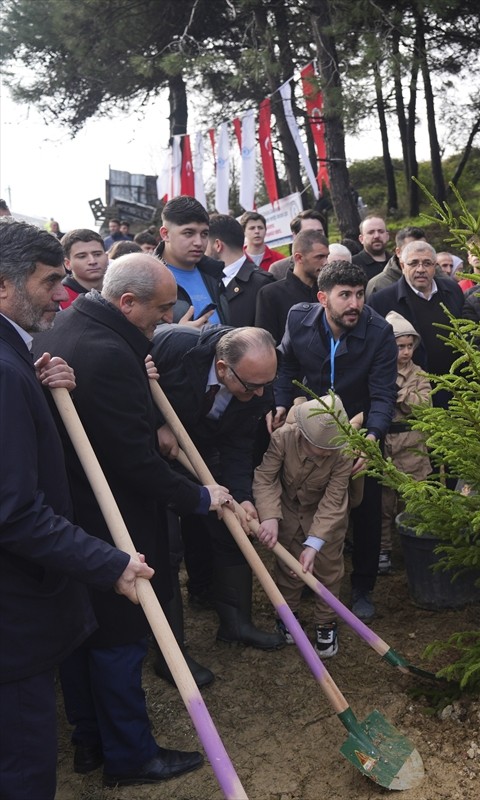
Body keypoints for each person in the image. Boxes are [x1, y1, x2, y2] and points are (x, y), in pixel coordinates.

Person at [34, 253, 234, 788]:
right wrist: (198, 497)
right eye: (161, 310)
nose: (167, 320)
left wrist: (136, 353)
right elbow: (136, 462)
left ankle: (89, 742)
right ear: (127, 302)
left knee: (83, 634)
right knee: (119, 639)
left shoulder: (78, 323)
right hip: (112, 518)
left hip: (73, 516)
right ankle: (130, 754)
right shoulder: (105, 351)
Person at [0, 219, 154, 799]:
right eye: (47, 282)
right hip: (13, 615)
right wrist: (108, 562)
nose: (61, 296)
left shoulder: (16, 359)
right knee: (21, 763)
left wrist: (33, 383)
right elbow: (12, 511)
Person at [272, 261, 397, 621]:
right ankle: (306, 576)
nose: (354, 303)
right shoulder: (298, 318)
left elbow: (384, 393)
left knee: (366, 506)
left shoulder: (379, 332)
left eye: (359, 295)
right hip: (310, 429)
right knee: (307, 504)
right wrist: (281, 402)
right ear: (323, 298)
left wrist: (372, 437)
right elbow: (287, 365)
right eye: (345, 295)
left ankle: (362, 587)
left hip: (359, 427)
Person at [151, 324, 285, 656]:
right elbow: (127, 385)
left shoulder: (258, 389)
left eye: (266, 385)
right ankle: (171, 652)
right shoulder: (173, 346)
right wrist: (155, 424)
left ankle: (235, 624)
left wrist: (242, 496)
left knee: (229, 524)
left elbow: (239, 446)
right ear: (223, 368)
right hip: (150, 456)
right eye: (252, 385)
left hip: (203, 449)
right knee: (165, 544)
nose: (260, 394)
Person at [254, 395, 355, 659]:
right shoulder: (283, 438)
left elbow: (334, 500)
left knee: (328, 571)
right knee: (289, 570)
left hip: (325, 519)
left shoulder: (343, 454)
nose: (323, 454)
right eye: (317, 448)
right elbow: (265, 478)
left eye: (328, 449)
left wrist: (314, 543)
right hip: (287, 512)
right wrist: (269, 516)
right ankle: (288, 616)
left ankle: (326, 623)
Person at [366, 239, 465, 410]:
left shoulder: (451, 290)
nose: (420, 269)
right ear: (403, 265)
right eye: (414, 263)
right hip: (411, 393)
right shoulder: (382, 300)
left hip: (457, 387)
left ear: (435, 266)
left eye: (427, 263)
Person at [378, 312, 433, 574]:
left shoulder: (419, 375)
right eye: (401, 346)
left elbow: (425, 405)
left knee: (414, 500)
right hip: (386, 444)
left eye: (410, 346)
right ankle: (384, 549)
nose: (406, 352)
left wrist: (401, 394)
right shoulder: (379, 372)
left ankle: (414, 546)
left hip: (412, 445)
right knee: (384, 504)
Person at [156, 196, 228, 327]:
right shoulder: (147, 278)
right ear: (165, 234)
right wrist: (178, 334)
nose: (199, 243)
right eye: (189, 233)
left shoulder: (214, 273)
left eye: (204, 234)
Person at [254, 229, 327, 343]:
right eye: (319, 257)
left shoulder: (327, 289)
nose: (325, 262)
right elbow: (266, 344)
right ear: (299, 258)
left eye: (327, 256)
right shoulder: (271, 294)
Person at [207, 213, 275, 328]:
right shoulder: (208, 279)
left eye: (205, 240)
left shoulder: (262, 285)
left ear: (218, 245)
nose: (200, 246)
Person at [268, 210, 328, 281]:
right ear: (295, 236)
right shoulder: (279, 269)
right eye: (309, 233)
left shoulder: (336, 260)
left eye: (319, 232)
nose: (316, 237)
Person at [366, 226, 428, 296]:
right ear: (398, 252)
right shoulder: (378, 285)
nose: (418, 255)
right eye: (410, 249)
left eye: (423, 249)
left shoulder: (436, 278)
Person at [60, 228, 109, 308]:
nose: (92, 261)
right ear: (67, 264)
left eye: (97, 254)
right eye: (82, 256)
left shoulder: (122, 292)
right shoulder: (59, 299)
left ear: (107, 257)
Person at [352, 215, 391, 282]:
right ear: (361, 239)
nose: (377, 236)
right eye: (371, 232)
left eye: (381, 231)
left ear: (387, 236)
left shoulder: (397, 262)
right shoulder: (353, 265)